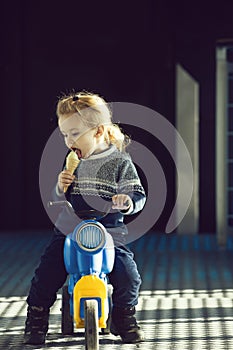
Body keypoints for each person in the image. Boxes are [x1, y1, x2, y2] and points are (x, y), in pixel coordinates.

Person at [24, 91, 146, 345]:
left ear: (98, 132)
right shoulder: (72, 161)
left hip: (109, 230)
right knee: (47, 271)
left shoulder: (120, 162)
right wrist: (60, 186)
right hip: (71, 228)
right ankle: (37, 315)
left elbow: (137, 193)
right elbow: (56, 197)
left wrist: (127, 201)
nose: (69, 141)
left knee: (128, 274)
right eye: (64, 134)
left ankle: (124, 315)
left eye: (75, 133)